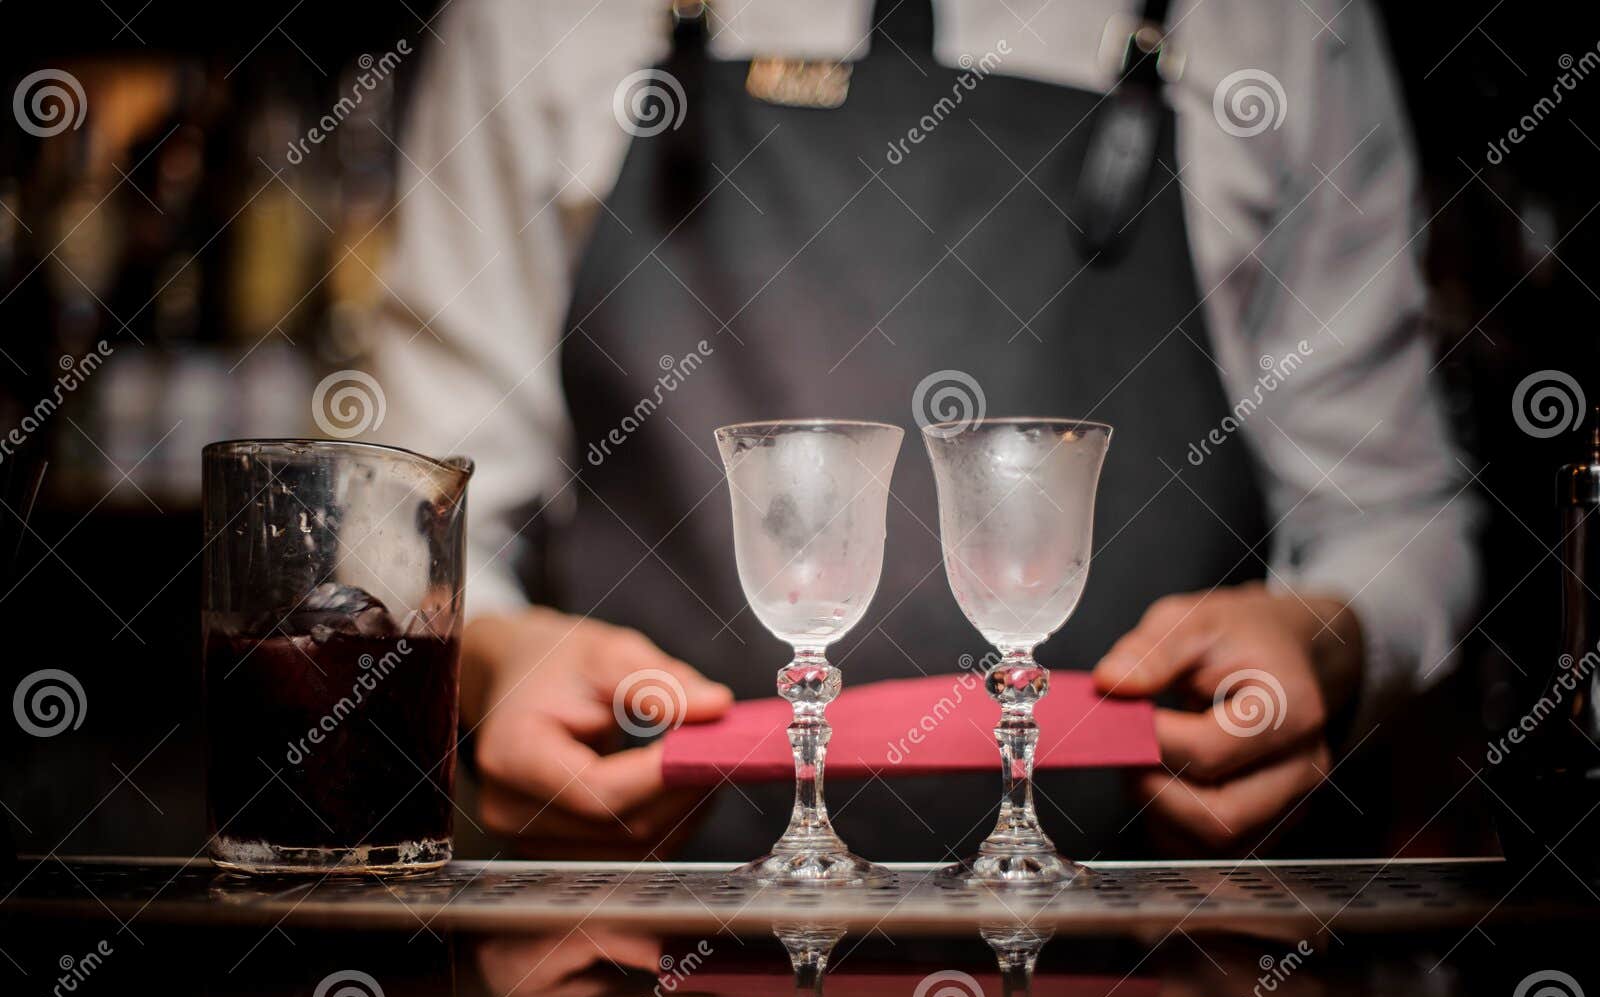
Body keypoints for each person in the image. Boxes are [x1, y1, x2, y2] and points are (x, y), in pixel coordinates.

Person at [373, 0, 1481, 860]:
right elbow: (398, 521)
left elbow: (1394, 511)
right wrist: (490, 662)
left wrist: (1333, 640)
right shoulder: (530, 18)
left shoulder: (1280, 21)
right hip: (647, 978)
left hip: (1169, 981)